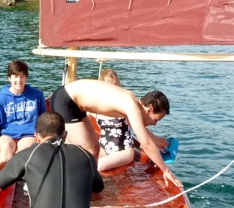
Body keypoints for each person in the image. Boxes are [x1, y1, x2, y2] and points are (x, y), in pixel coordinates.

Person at [50, 78, 180, 187]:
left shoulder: (133, 104)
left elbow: (144, 133)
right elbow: (146, 144)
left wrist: (162, 142)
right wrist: (166, 170)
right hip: (66, 100)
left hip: (75, 103)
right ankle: (66, 184)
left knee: (95, 148)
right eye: (156, 119)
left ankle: (89, 183)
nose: (155, 124)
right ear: (150, 109)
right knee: (87, 150)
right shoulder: (132, 107)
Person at [92, 67, 170, 172]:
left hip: (124, 151)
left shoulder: (124, 106)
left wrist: (156, 141)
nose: (113, 90)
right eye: (110, 87)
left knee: (97, 165)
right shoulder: (98, 107)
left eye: (116, 87)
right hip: (105, 146)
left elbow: (141, 130)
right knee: (90, 162)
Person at [0, 60, 47, 165]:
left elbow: (44, 118)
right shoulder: (1, 98)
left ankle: (16, 171)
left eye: (22, 76)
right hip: (7, 135)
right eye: (15, 76)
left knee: (23, 150)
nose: (19, 80)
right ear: (9, 78)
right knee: (6, 147)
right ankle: (2, 169)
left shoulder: (37, 95)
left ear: (26, 78)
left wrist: (43, 135)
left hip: (29, 134)